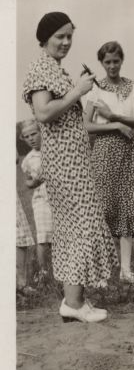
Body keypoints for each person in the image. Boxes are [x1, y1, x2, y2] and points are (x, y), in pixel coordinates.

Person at [23, 12, 118, 323]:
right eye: (59, 36)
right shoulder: (40, 68)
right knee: (83, 226)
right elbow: (43, 113)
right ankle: (73, 303)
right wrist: (78, 92)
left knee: (73, 229)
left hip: (72, 160)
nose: (65, 42)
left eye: (69, 36)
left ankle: (74, 300)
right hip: (64, 162)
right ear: (45, 38)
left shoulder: (54, 69)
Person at [84, 41, 134, 285]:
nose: (112, 66)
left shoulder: (132, 86)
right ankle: (100, 273)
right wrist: (115, 125)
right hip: (105, 152)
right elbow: (86, 124)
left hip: (129, 152)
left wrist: (115, 116)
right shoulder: (95, 89)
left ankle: (126, 271)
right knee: (103, 209)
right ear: (101, 63)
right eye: (107, 62)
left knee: (127, 208)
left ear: (122, 60)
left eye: (115, 61)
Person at [20, 119, 52, 281]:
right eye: (27, 136)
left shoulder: (54, 150)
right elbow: (27, 181)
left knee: (59, 237)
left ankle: (60, 269)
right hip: (41, 200)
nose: (31, 138)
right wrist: (35, 181)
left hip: (60, 199)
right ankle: (43, 272)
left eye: (34, 134)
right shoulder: (28, 159)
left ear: (42, 131)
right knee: (43, 237)